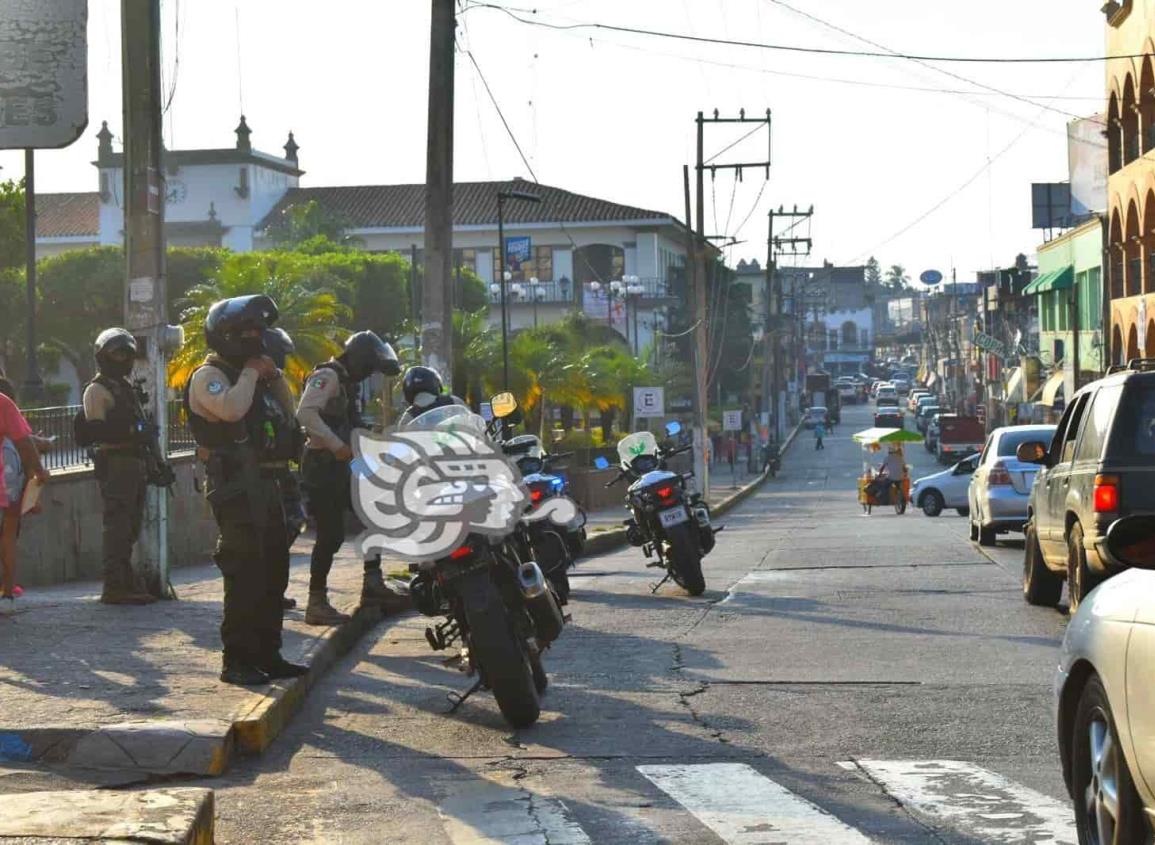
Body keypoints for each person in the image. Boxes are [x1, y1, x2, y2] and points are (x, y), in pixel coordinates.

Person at [185, 294, 306, 686]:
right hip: (234, 486)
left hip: (268, 483)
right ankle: (236, 660)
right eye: (248, 332)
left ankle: (268, 654)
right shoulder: (210, 376)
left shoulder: (253, 374)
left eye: (260, 331)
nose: (256, 338)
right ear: (226, 335)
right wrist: (252, 374)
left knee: (274, 571)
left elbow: (288, 413)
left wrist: (272, 376)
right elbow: (232, 410)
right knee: (244, 572)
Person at [297, 330, 401, 625]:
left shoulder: (347, 384)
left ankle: (373, 584)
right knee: (331, 535)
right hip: (324, 465)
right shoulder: (327, 377)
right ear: (358, 360)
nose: (368, 374)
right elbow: (305, 414)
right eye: (368, 367)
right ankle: (316, 602)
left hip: (347, 463)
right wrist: (335, 444)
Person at [80, 329, 157, 605]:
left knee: (131, 526)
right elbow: (97, 432)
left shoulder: (125, 387)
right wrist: (131, 432)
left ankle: (127, 582)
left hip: (134, 462)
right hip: (116, 463)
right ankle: (114, 586)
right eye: (117, 353)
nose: (123, 358)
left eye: (127, 353)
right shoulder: (97, 390)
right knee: (118, 527)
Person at [0, 377, 50, 600]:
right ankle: (8, 590)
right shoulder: (3, 403)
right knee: (9, 532)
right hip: (7, 483)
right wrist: (40, 472)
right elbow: (24, 442)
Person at [396, 365, 464, 427]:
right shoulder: (453, 401)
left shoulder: (409, 415)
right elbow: (471, 425)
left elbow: (401, 437)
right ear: (435, 383)